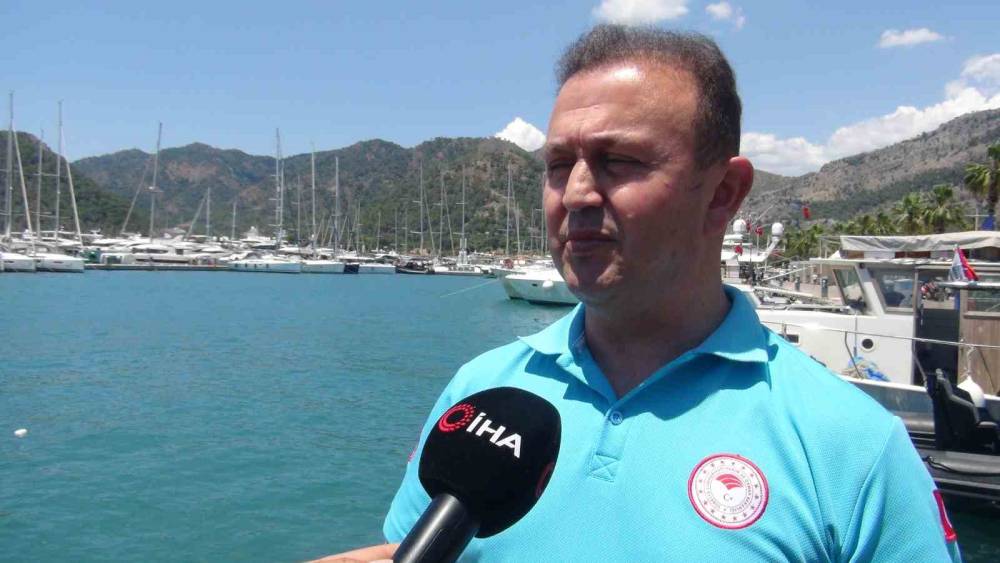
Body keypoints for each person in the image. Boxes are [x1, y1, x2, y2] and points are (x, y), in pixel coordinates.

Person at [318, 25, 961, 562]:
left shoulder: (854, 447)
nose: (575, 194)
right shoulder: (481, 391)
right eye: (557, 165)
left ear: (724, 194)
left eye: (619, 161)